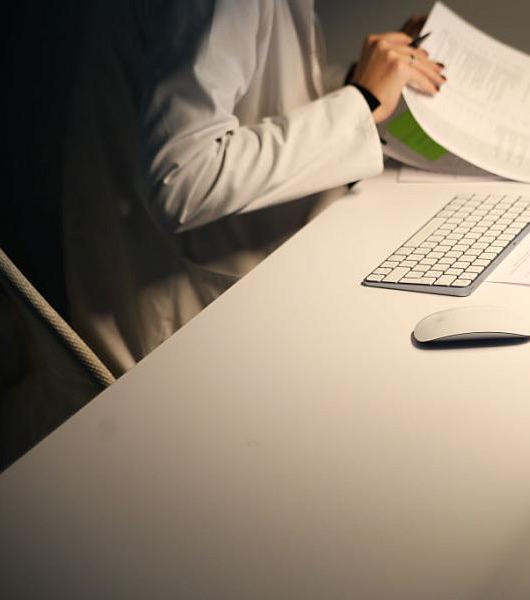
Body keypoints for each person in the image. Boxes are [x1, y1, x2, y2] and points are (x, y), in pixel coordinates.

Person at [62, 1, 444, 375]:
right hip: (177, 319)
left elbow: (248, 103)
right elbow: (181, 180)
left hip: (204, 291)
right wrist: (363, 100)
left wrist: (362, 83)